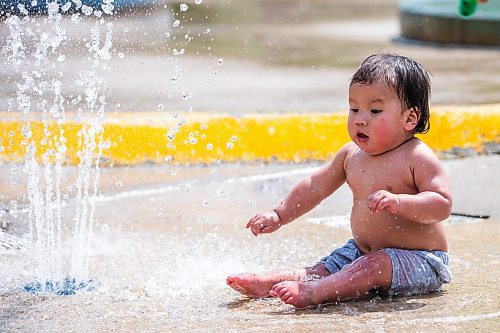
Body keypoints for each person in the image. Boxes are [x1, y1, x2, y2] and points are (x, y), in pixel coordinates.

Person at [226, 53, 453, 309]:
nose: (360, 118)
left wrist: (400, 202)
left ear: (410, 118)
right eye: (354, 108)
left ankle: (315, 293)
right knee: (325, 268)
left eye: (375, 110)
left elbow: (441, 204)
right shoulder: (351, 155)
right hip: (362, 250)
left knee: (370, 267)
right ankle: (269, 282)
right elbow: (315, 186)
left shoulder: (416, 157)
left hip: (421, 259)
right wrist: (279, 214)